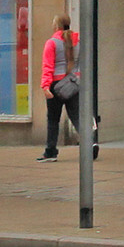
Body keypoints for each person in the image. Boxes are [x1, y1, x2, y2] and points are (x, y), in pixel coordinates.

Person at [39, 13, 95, 162]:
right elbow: (82, 63)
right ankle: (89, 144)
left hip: (56, 85)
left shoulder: (52, 43)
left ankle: (50, 152)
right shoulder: (77, 41)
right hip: (72, 83)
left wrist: (45, 87)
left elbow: (48, 66)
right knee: (77, 117)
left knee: (53, 119)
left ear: (56, 25)